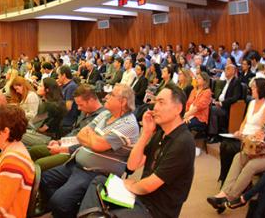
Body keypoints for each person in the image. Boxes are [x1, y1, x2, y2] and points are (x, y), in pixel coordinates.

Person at [77, 84, 195, 218]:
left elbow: (148, 186)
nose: (155, 107)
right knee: (99, 181)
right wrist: (145, 133)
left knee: (108, 213)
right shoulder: (161, 133)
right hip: (141, 198)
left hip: (156, 210)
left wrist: (131, 185)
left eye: (161, 102)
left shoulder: (183, 142)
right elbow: (132, 166)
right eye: (156, 102)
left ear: (178, 109)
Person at [40, 84, 139, 217]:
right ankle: (66, 209)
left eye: (112, 95)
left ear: (123, 102)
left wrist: (92, 137)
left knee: (59, 201)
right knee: (45, 179)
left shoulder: (128, 124)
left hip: (95, 172)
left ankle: (62, 207)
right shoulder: (106, 114)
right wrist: (94, 139)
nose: (106, 97)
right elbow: (81, 134)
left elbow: (98, 145)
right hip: (76, 163)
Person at [207, 78, 265, 212]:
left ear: (260, 89)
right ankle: (223, 189)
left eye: (254, 88)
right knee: (224, 146)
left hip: (252, 141)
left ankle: (225, 193)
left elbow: (261, 129)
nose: (251, 90)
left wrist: (246, 136)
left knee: (232, 151)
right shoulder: (251, 103)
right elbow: (244, 122)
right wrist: (239, 131)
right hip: (243, 136)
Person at [22, 78, 65, 147]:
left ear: (47, 90)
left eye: (41, 86)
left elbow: (35, 125)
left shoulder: (49, 105)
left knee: (14, 134)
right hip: (52, 136)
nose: (38, 87)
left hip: (45, 138)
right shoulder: (58, 102)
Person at [208, 64, 243, 143]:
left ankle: (214, 135)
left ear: (233, 71)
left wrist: (221, 103)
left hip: (228, 108)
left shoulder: (236, 82)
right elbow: (222, 95)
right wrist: (215, 100)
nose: (225, 71)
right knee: (208, 105)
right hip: (219, 104)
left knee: (213, 109)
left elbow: (235, 98)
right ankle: (207, 132)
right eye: (225, 69)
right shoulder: (226, 82)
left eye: (227, 69)